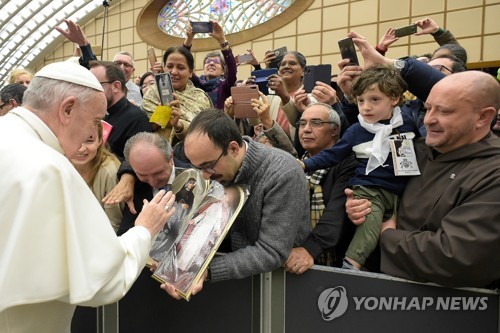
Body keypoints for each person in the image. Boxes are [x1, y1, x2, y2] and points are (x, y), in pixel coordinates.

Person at [0, 61, 176, 332]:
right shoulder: (49, 168)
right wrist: (144, 229)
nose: (94, 134)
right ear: (67, 108)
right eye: (95, 121)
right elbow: (105, 279)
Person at [346, 32, 500, 288]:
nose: (429, 120)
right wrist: (364, 205)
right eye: (428, 109)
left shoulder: (492, 172)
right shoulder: (412, 146)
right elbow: (379, 193)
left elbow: (456, 256)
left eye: (445, 111)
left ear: (483, 118)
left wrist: (388, 236)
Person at [161, 108, 311, 299]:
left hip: (278, 290)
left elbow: (271, 251)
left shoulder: (282, 173)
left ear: (233, 148)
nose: (205, 176)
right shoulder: (215, 169)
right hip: (236, 285)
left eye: (208, 166)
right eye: (197, 168)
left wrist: (205, 271)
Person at [300, 65, 420, 270]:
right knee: (370, 228)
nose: (366, 107)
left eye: (375, 99)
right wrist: (305, 164)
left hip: (400, 191)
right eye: (361, 100)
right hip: (369, 189)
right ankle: (351, 264)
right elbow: (333, 154)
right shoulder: (357, 130)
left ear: (394, 98)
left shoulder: (406, 124)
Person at [263, 102, 358, 272]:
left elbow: (336, 215)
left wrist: (310, 249)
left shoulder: (348, 163)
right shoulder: (299, 161)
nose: (306, 129)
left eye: (316, 123)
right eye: (302, 123)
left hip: (332, 264)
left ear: (335, 130)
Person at [142, 46, 213, 144]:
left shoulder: (201, 98)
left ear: (191, 72)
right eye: (170, 66)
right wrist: (162, 115)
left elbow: (207, 131)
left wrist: (179, 125)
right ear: (164, 68)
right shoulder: (152, 94)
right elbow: (145, 128)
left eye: (181, 67)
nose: (174, 72)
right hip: (158, 152)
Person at [88, 60, 153, 159]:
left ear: (116, 86)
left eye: (95, 85)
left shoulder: (136, 119)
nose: (90, 91)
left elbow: (139, 163)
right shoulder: (97, 115)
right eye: (88, 86)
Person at [70, 121, 123, 232]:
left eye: (89, 141)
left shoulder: (109, 172)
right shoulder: (58, 162)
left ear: (100, 141)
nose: (81, 148)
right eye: (74, 139)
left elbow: (114, 224)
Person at [181, 20, 237, 109]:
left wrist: (222, 39)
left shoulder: (224, 85)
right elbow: (184, 61)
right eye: (207, 62)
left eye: (216, 61)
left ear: (223, 71)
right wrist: (189, 38)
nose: (211, 63)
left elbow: (232, 70)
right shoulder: (197, 83)